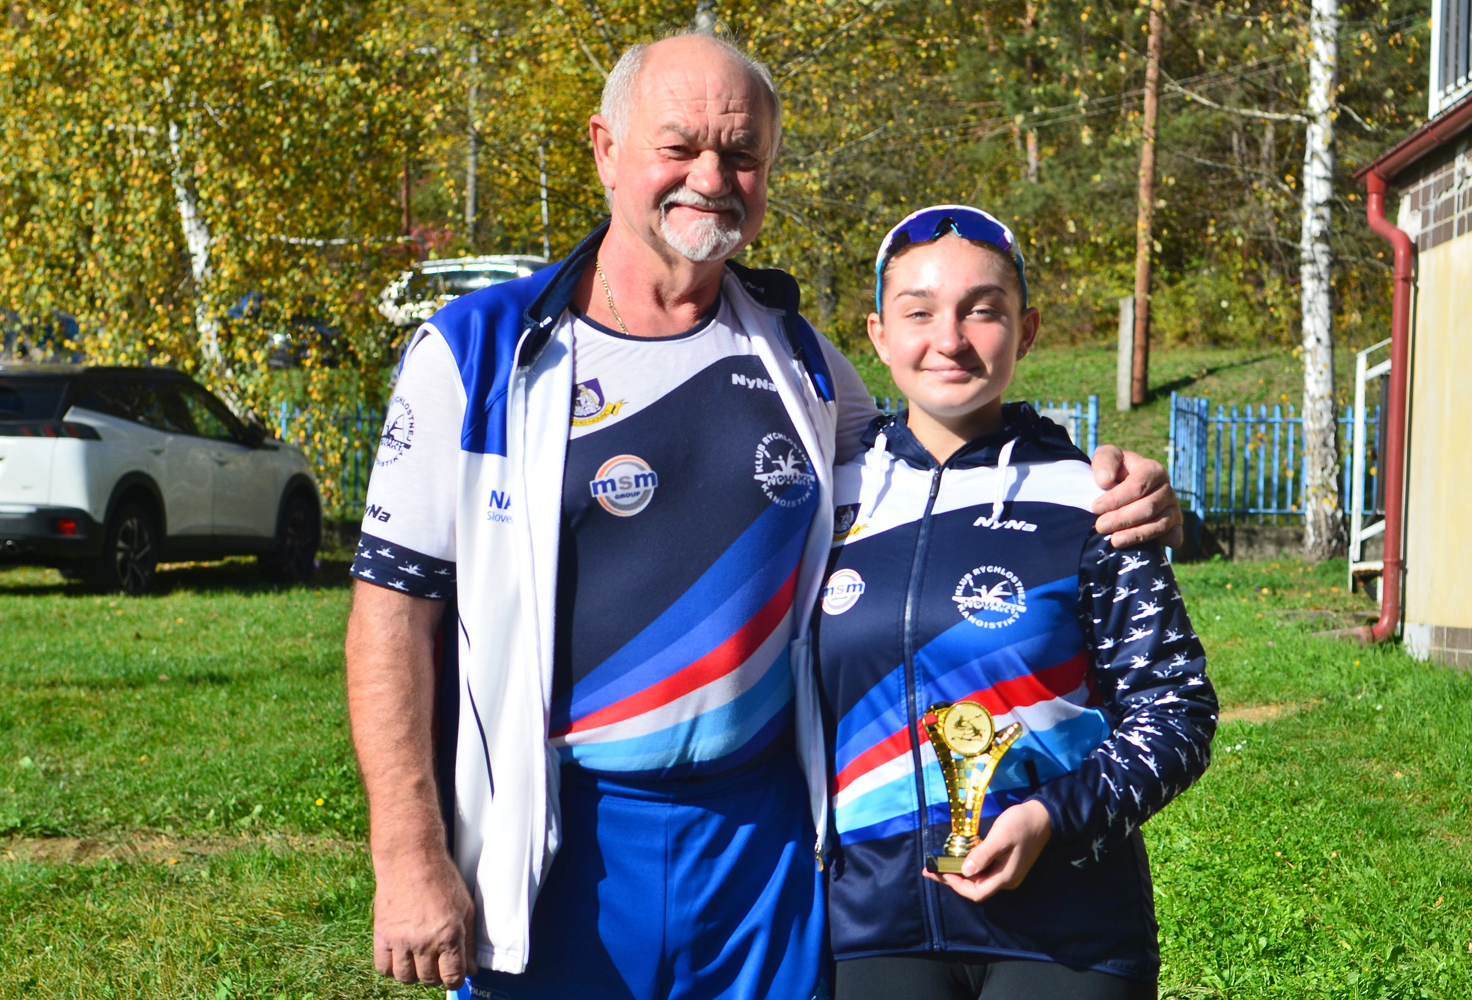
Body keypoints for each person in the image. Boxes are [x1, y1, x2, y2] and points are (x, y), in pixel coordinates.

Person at [342, 35, 1184, 1000]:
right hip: (564, 835)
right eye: (679, 146)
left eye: (741, 154)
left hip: (762, 854)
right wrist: (406, 853)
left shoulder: (802, 360)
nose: (711, 179)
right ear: (605, 148)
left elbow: (939, 452)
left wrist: (1104, 479)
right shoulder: (480, 354)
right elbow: (391, 615)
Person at [812, 205, 1218, 1000]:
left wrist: (1054, 818)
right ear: (878, 336)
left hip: (1068, 933)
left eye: (983, 310)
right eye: (919, 312)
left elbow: (1176, 709)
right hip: (872, 926)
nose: (950, 339)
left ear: (1025, 331)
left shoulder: (1094, 499)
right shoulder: (824, 502)